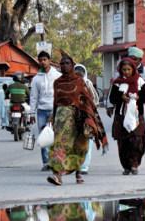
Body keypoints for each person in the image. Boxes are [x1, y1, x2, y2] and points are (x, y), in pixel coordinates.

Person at [46, 55, 108, 186]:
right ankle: (57, 175)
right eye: (62, 63)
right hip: (61, 119)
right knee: (60, 144)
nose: (64, 66)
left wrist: (88, 118)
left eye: (67, 63)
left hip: (78, 118)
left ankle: (78, 172)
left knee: (79, 145)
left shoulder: (79, 81)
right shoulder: (57, 83)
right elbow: (56, 101)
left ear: (72, 65)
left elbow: (88, 100)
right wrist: (53, 115)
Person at [109, 58, 145, 175]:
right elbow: (112, 98)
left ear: (133, 69)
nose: (126, 72)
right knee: (123, 143)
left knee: (137, 141)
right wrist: (121, 97)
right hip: (121, 116)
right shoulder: (117, 83)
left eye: (128, 69)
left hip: (137, 116)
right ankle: (126, 166)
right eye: (124, 70)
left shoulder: (140, 81)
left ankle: (134, 164)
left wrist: (138, 98)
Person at [29, 50, 61, 171]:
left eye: (45, 60)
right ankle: (46, 162)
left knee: (56, 136)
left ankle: (57, 160)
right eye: (40, 60)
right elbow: (33, 97)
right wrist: (32, 113)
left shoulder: (57, 76)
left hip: (55, 109)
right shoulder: (37, 78)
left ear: (49, 60)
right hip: (42, 111)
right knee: (44, 137)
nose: (42, 62)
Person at [73, 63, 99, 174]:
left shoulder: (88, 84)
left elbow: (95, 100)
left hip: (87, 117)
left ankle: (84, 166)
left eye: (80, 73)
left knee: (88, 140)